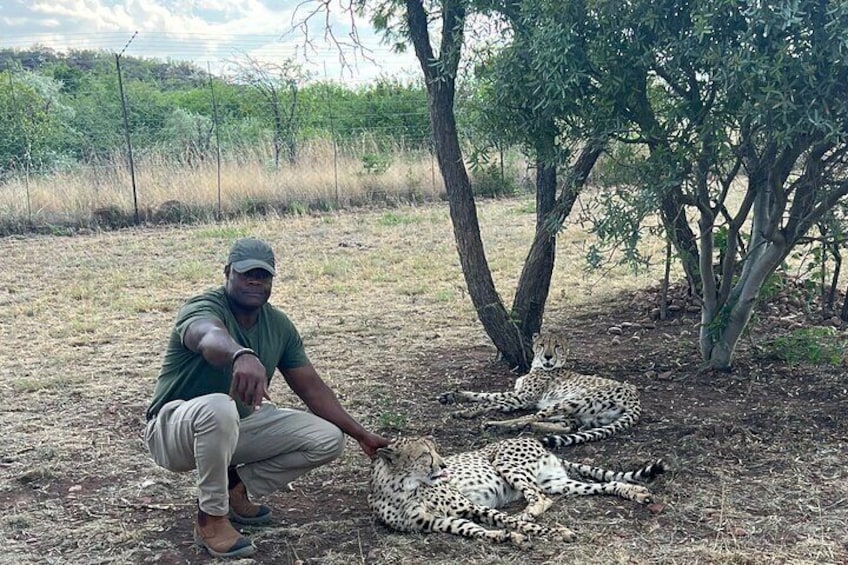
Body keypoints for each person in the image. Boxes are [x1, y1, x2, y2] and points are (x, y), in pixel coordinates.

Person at [144, 237, 389, 559]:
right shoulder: (203, 308)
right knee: (219, 406)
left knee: (328, 438)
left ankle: (236, 489)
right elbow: (208, 336)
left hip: (233, 427)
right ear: (228, 272)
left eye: (263, 275)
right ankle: (211, 518)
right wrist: (241, 355)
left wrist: (361, 434)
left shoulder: (278, 325)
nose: (255, 281)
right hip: (173, 430)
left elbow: (312, 388)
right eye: (246, 274)